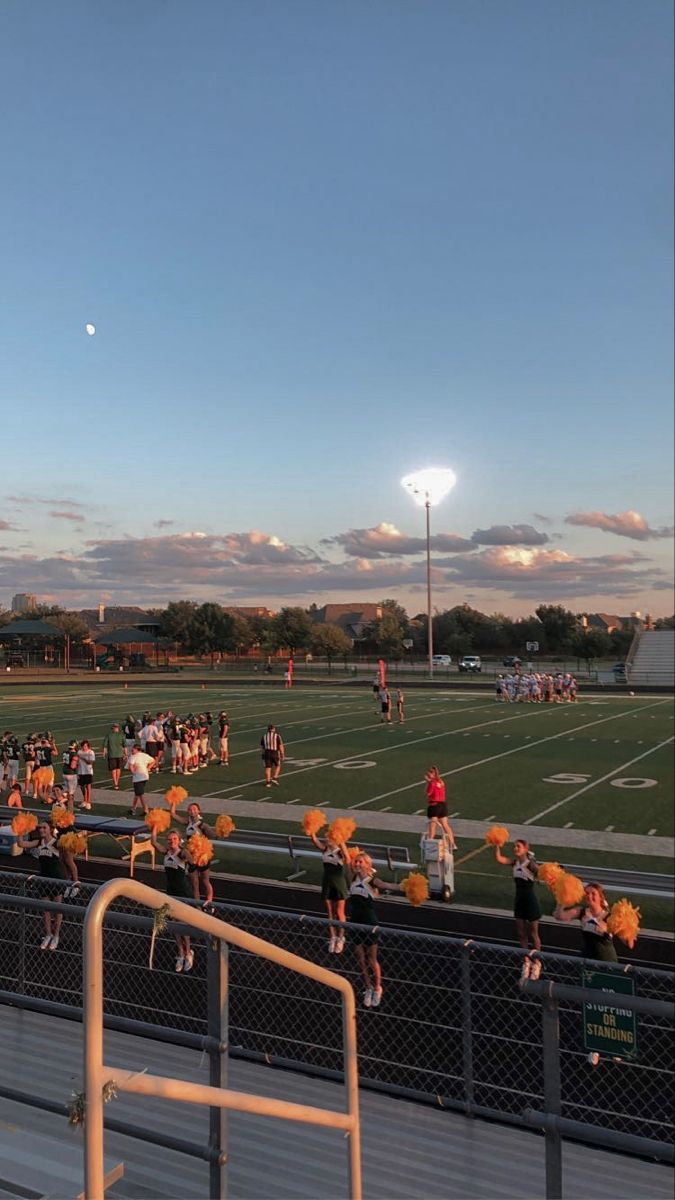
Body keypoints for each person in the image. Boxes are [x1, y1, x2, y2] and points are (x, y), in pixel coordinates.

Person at [346, 853, 402, 1009]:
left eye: (360, 862)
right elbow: (345, 856)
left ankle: (378, 988)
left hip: (370, 922)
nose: (356, 864)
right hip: (355, 922)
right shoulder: (352, 878)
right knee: (360, 958)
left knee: (372, 958)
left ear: (368, 865)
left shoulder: (372, 881)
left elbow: (388, 886)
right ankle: (368, 987)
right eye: (355, 861)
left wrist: (406, 887)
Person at [493, 837, 542, 979]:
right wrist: (497, 844)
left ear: (525, 849)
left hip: (530, 901)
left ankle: (537, 962)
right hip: (519, 900)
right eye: (514, 846)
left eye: (518, 846)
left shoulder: (531, 865)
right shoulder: (514, 862)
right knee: (521, 933)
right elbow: (499, 859)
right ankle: (526, 961)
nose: (515, 848)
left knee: (534, 934)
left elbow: (542, 874)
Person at [149, 827, 195, 972]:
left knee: (182, 922)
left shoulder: (181, 853)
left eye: (174, 839)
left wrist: (191, 856)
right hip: (170, 892)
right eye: (169, 839)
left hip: (182, 892)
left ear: (179, 840)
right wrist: (154, 827)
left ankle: (188, 952)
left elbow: (191, 859)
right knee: (174, 923)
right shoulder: (166, 851)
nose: (171, 841)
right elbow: (153, 842)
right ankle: (180, 952)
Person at [17, 818, 66, 949]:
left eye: (44, 828)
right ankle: (48, 934)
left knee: (57, 908)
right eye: (40, 828)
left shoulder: (56, 843)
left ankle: (56, 935)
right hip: (43, 878)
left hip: (56, 878)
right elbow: (21, 844)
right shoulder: (39, 842)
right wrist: (20, 829)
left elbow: (70, 850)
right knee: (46, 909)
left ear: (50, 829)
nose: (42, 830)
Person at [308, 826, 349, 953]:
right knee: (330, 912)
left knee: (340, 911)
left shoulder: (340, 853)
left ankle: (341, 938)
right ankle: (333, 937)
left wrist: (342, 842)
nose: (326, 839)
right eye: (327, 838)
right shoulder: (325, 849)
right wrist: (311, 831)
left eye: (329, 838)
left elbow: (348, 859)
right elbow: (315, 841)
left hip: (339, 883)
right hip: (327, 882)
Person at [554, 882, 618, 963]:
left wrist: (607, 929)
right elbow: (559, 916)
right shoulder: (581, 912)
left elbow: (628, 943)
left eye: (593, 893)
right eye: (587, 893)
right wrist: (562, 900)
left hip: (606, 962)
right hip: (587, 960)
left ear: (600, 897)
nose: (589, 896)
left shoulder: (609, 916)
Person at [170, 800, 216, 911]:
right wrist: (173, 800)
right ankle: (198, 907)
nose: (192, 811)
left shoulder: (202, 825)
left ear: (198, 811)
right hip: (191, 858)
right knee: (194, 884)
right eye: (190, 809)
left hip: (203, 857)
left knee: (205, 881)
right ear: (188, 812)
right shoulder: (188, 822)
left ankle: (209, 903)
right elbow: (173, 815)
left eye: (194, 809)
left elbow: (213, 836)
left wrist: (215, 831)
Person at [424, 767, 457, 847]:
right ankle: (452, 844)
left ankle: (430, 842)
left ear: (433, 774)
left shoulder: (431, 783)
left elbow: (428, 793)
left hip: (434, 805)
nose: (428, 774)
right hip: (443, 805)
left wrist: (428, 783)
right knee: (445, 825)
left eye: (429, 773)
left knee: (433, 825)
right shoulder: (441, 781)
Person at [127, 742, 156, 816]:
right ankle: (133, 809)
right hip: (145, 776)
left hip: (138, 778)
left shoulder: (133, 757)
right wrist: (148, 768)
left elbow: (130, 766)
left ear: (136, 749)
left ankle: (146, 810)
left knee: (140, 794)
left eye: (133, 749)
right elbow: (153, 761)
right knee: (137, 794)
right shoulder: (144, 755)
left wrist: (134, 772)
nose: (132, 751)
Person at [102, 722, 126, 791]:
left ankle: (115, 782)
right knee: (118, 769)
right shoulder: (122, 735)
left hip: (112, 754)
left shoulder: (109, 735)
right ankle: (117, 782)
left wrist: (104, 753)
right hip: (119, 754)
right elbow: (125, 746)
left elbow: (105, 745)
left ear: (113, 728)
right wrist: (126, 754)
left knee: (113, 769)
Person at [76, 741, 96, 810]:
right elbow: (77, 762)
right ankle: (84, 800)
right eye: (83, 746)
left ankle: (88, 802)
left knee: (88, 786)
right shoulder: (79, 752)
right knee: (82, 786)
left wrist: (83, 758)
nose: (84, 748)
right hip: (80, 771)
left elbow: (90, 762)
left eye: (85, 746)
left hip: (88, 771)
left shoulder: (91, 752)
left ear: (88, 746)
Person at [61, 740, 79, 810]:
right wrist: (77, 764)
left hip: (64, 773)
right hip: (71, 774)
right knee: (71, 793)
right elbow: (72, 766)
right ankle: (62, 802)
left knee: (67, 791)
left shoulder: (65, 752)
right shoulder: (74, 754)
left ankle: (67, 804)